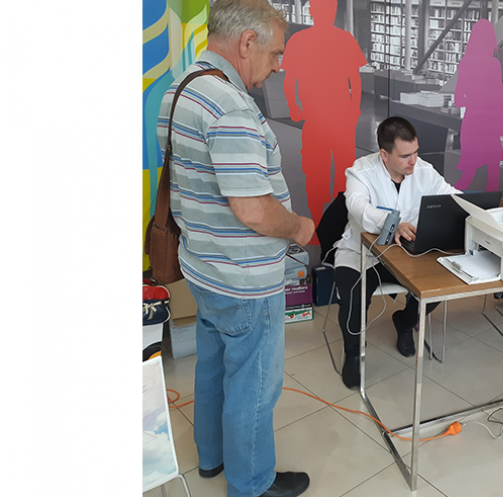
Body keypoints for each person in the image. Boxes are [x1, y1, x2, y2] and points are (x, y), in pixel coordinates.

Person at [157, 1, 312, 496]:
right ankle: (251, 485)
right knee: (254, 384)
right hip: (244, 279)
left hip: (204, 268)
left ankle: (212, 458)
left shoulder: (181, 90)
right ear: (247, 42)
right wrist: (298, 227)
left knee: (213, 366)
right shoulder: (231, 106)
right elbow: (253, 209)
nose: (278, 65)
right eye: (275, 53)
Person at [333, 116, 459, 388]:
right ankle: (353, 353)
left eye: (415, 152)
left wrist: (476, 208)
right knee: (354, 297)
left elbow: (450, 195)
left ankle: (405, 322)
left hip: (405, 253)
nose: (413, 161)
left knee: (439, 284)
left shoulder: (423, 170)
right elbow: (357, 206)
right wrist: (391, 223)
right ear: (384, 154)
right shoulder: (361, 171)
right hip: (362, 253)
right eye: (404, 156)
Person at [281, 0, 367, 244]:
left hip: (341, 120)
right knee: (316, 175)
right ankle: (318, 229)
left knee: (344, 177)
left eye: (329, 9)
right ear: (312, 12)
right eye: (320, 9)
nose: (325, 13)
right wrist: (293, 105)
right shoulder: (299, 40)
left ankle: (342, 229)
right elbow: (290, 80)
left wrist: (355, 109)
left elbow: (355, 79)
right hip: (315, 120)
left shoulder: (344, 39)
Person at [453, 18, 503, 191]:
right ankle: (489, 207)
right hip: (489, 126)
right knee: (493, 176)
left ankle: (449, 200)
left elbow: (458, 100)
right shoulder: (494, 64)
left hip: (472, 125)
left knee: (468, 176)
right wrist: (492, 98)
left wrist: (476, 100)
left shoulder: (465, 64)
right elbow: (499, 96)